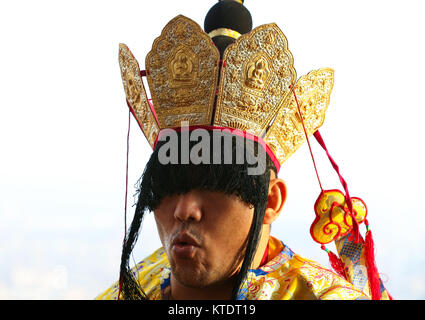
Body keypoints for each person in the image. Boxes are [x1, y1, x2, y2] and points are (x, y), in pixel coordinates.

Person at [97, 0, 391, 300]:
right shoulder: (130, 288)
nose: (184, 210)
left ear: (270, 200)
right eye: (167, 185)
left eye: (215, 184)